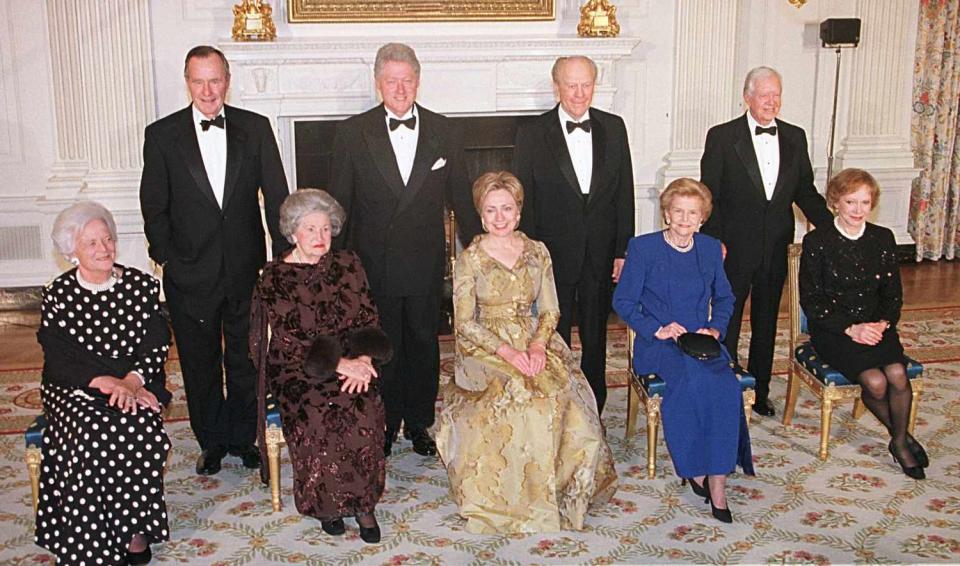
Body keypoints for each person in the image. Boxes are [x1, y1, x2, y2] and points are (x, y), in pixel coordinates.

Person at [436, 171, 617, 534]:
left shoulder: (538, 251)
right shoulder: (470, 259)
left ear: (518, 212)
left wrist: (536, 345)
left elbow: (550, 310)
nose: (499, 217)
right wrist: (508, 353)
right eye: (491, 210)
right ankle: (522, 501)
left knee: (573, 400)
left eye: (506, 208)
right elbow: (466, 323)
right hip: (484, 345)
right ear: (480, 214)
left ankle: (565, 491)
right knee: (526, 400)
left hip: (534, 337)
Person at [140, 45, 290, 475]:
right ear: (187, 82)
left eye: (215, 79)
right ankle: (211, 439)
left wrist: (280, 259)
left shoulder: (255, 128)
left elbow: (276, 196)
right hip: (190, 272)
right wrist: (168, 257)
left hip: (246, 268)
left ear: (227, 80)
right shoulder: (162, 135)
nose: (207, 90)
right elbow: (154, 204)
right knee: (199, 361)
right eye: (198, 81)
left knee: (246, 358)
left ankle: (244, 437)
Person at [328, 42, 481, 457]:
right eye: (392, 81)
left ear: (418, 81)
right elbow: (339, 205)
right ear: (378, 83)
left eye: (407, 80)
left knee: (423, 344)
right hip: (372, 266)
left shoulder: (445, 131)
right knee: (380, 345)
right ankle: (383, 421)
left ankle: (418, 422)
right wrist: (333, 268)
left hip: (423, 262)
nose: (400, 89)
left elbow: (462, 201)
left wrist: (483, 251)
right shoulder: (351, 133)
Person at [250, 189, 391, 543]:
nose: (319, 238)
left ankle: (363, 505)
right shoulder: (275, 277)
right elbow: (289, 339)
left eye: (326, 229)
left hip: (352, 360)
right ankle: (327, 505)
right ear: (292, 232)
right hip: (299, 367)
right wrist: (341, 364)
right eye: (310, 229)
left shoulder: (348, 264)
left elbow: (367, 317)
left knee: (362, 407)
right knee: (320, 412)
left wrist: (363, 359)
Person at [36, 201, 172, 565]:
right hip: (77, 388)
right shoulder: (58, 294)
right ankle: (91, 540)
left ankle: (134, 531)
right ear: (72, 251)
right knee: (93, 430)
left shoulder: (140, 286)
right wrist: (108, 382)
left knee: (141, 427)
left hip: (134, 384)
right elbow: (59, 356)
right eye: (91, 243)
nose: (104, 249)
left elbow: (157, 341)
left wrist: (132, 381)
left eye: (107, 239)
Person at [613, 178, 754, 523]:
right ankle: (694, 469)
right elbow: (623, 301)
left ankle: (717, 480)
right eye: (678, 211)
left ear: (703, 217)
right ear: (666, 213)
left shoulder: (708, 248)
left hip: (701, 342)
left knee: (723, 388)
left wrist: (716, 328)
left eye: (693, 213)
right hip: (659, 344)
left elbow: (725, 297)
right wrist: (656, 329)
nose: (685, 219)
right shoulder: (644, 248)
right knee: (690, 382)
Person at [700, 66, 832, 418]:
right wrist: (714, 242)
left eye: (776, 94)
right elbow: (707, 195)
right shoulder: (722, 137)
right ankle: (725, 383)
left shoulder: (795, 136)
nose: (771, 101)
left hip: (775, 245)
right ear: (747, 97)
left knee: (766, 319)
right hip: (733, 247)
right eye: (764, 95)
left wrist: (832, 227)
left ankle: (759, 389)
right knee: (727, 318)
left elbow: (805, 191)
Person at [512, 55, 635, 414]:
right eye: (571, 85)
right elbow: (525, 199)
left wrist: (622, 250)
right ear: (556, 87)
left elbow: (623, 192)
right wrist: (530, 256)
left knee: (597, 334)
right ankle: (561, 404)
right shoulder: (532, 133)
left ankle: (595, 403)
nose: (579, 93)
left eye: (586, 85)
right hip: (552, 254)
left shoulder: (615, 127)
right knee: (554, 333)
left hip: (601, 250)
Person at [800, 168, 928, 480]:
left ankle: (898, 442)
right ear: (835, 203)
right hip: (834, 330)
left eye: (865, 202)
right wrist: (851, 328)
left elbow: (893, 295)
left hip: (876, 326)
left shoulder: (882, 238)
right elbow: (812, 300)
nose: (858, 210)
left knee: (897, 373)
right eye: (850, 202)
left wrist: (883, 323)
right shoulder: (818, 241)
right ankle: (903, 438)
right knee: (875, 381)